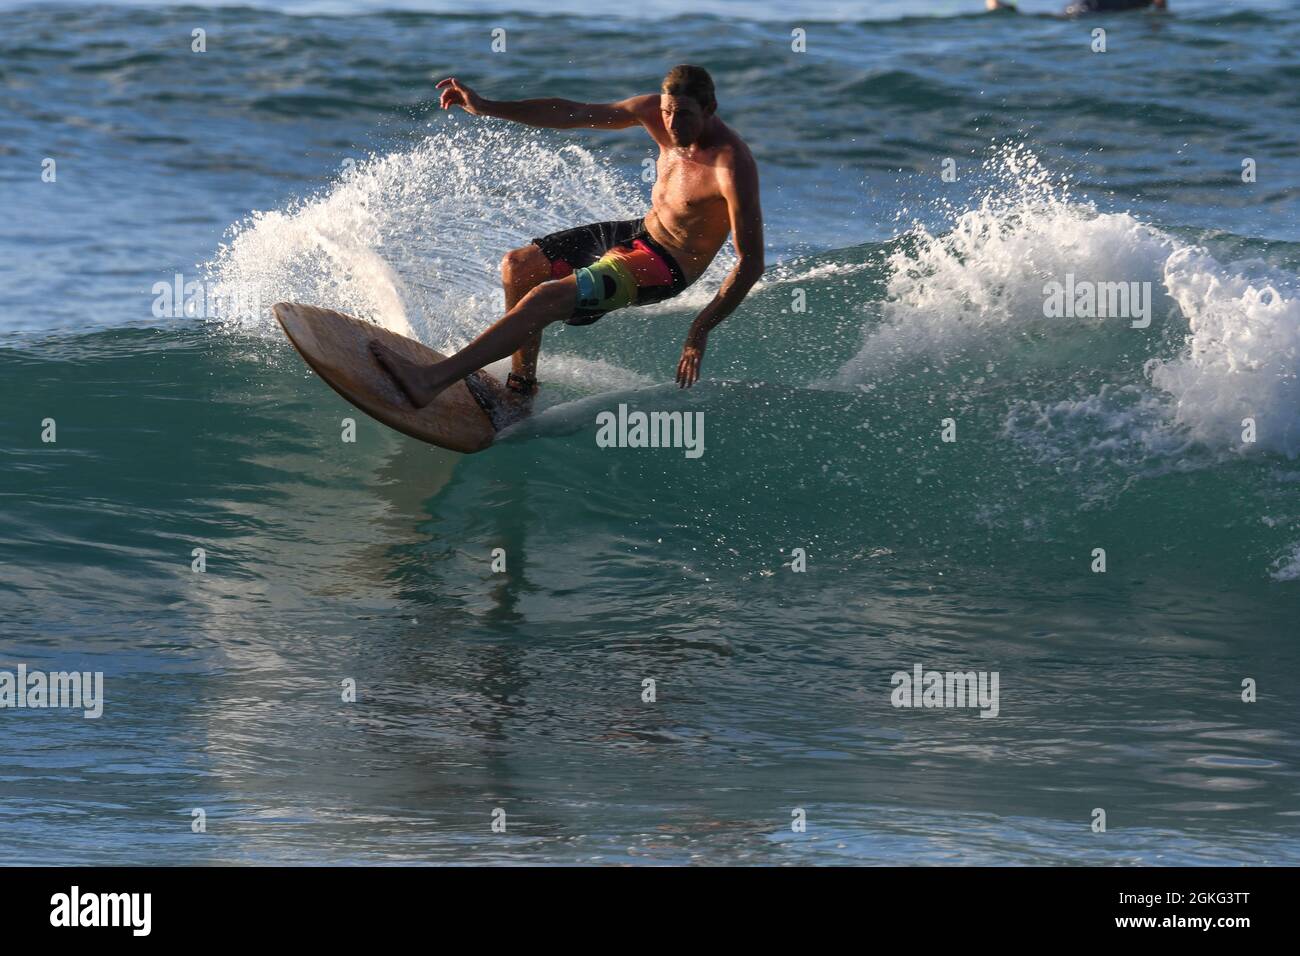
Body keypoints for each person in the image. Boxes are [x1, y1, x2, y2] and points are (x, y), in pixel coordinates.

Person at [370, 64, 764, 412]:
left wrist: (700, 329)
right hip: (641, 231)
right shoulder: (653, 112)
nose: (672, 124)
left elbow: (751, 262)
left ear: (710, 109)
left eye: (684, 116)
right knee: (519, 266)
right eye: (667, 111)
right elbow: (573, 112)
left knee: (546, 297)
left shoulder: (730, 165)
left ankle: (430, 381)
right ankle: (521, 390)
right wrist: (487, 106)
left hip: (665, 265)